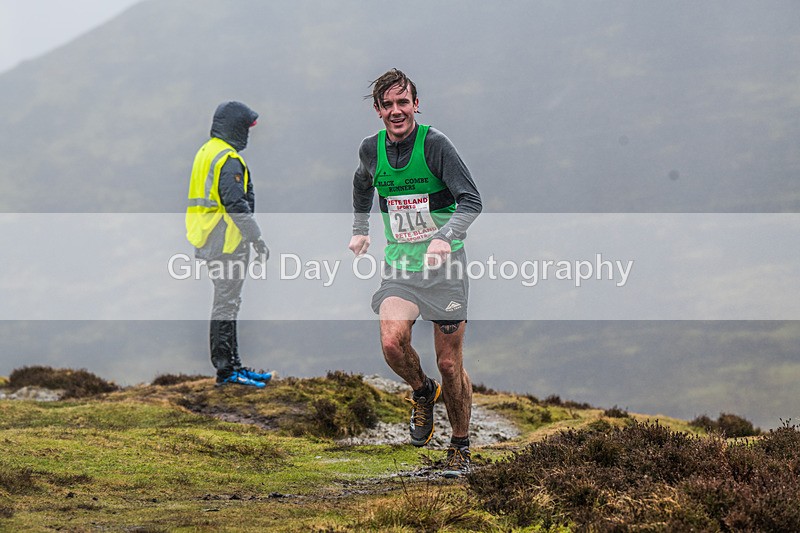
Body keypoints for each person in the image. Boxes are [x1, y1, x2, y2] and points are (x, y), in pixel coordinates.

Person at [348, 69, 482, 477]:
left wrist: (445, 236)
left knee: (449, 364)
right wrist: (360, 229)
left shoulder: (436, 145)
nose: (396, 111)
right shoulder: (371, 150)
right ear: (378, 110)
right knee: (392, 342)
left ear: (415, 105)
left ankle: (460, 446)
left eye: (403, 102)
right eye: (387, 105)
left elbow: (471, 201)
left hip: (445, 270)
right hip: (401, 267)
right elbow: (362, 184)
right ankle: (423, 391)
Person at [186, 101, 273, 388]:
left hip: (208, 238)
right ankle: (227, 371)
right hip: (226, 242)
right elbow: (236, 204)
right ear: (236, 127)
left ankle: (234, 366)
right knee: (226, 304)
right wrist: (256, 238)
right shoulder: (228, 159)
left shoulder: (207, 151)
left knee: (227, 303)